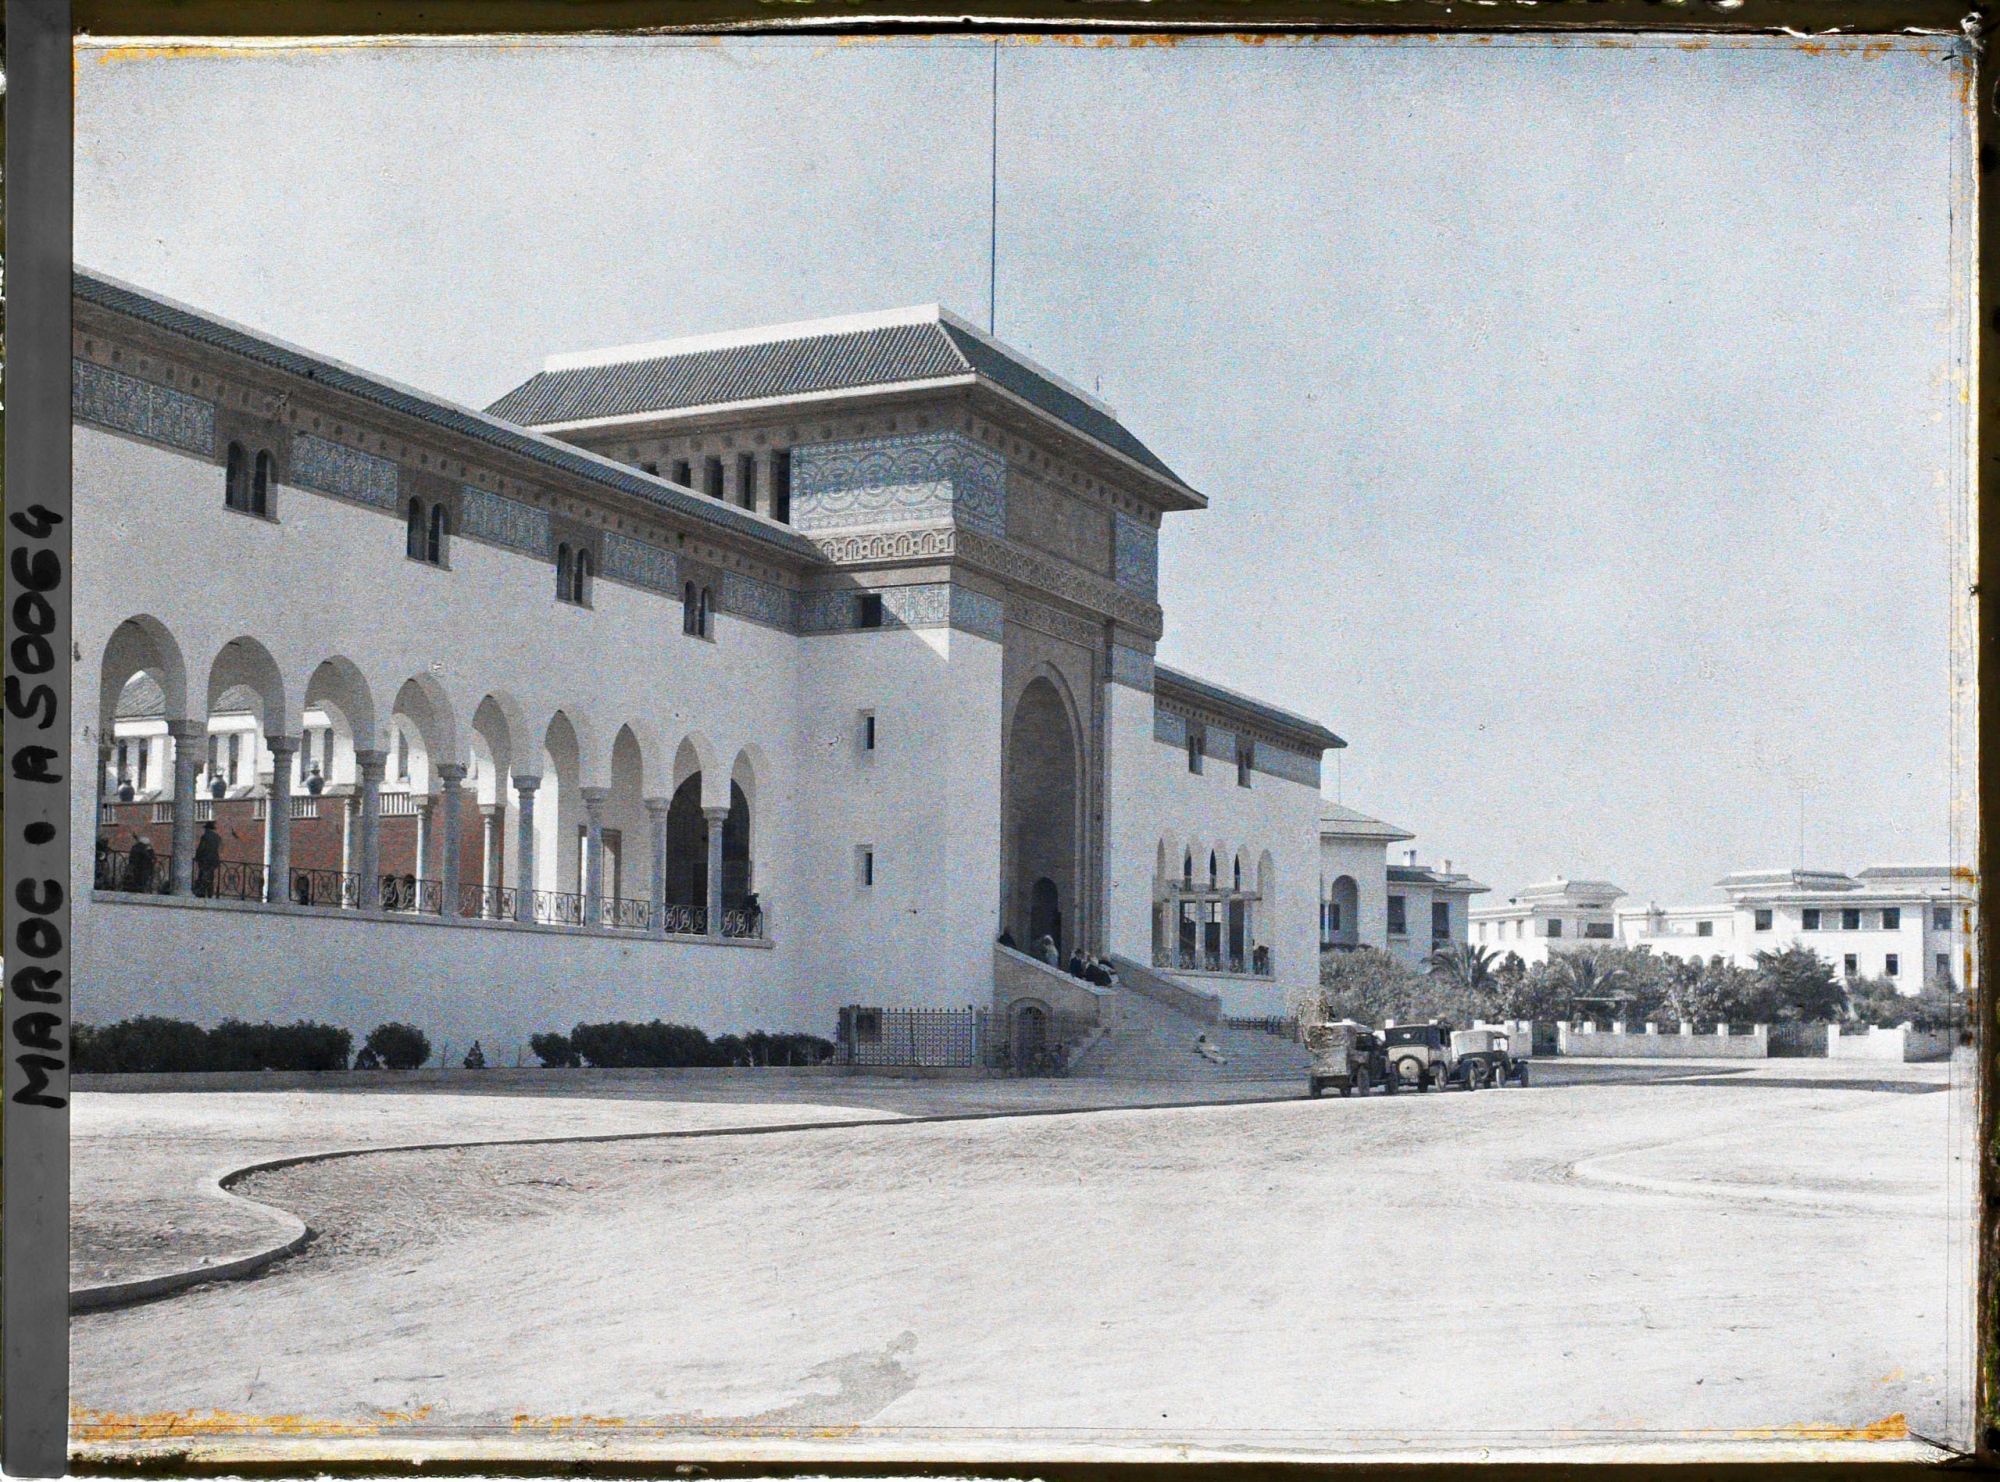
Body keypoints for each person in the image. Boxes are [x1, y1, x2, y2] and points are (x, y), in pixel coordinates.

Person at [192, 820, 222, 897]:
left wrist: (197, 856)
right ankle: (210, 892)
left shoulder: (205, 836)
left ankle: (201, 892)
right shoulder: (217, 837)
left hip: (205, 859)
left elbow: (201, 848)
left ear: (207, 829)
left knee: (202, 875)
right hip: (214, 860)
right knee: (210, 876)